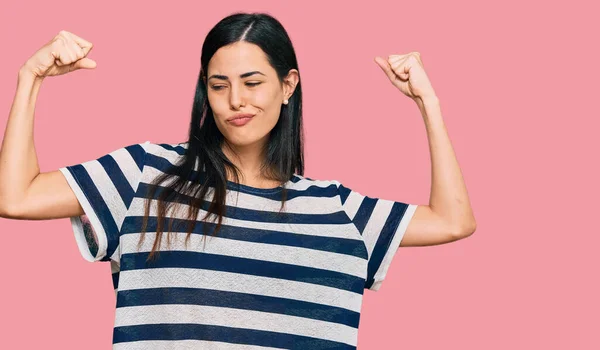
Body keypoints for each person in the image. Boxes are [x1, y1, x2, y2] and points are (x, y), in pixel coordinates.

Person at [0, 11, 476, 350]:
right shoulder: (145, 175)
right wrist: (30, 77)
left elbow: (453, 221)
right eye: (218, 84)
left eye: (252, 83)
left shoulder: (336, 210)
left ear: (288, 86)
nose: (235, 101)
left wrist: (428, 104)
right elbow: (16, 197)